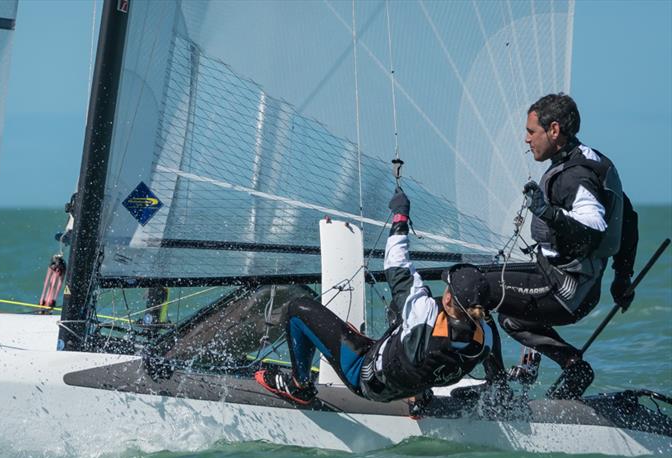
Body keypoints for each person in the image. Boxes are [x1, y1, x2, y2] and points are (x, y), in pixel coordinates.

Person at [254, 187, 508, 406]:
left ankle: (299, 386)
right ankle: (419, 396)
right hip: (409, 380)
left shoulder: (422, 312)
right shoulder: (483, 339)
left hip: (366, 379)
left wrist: (400, 217)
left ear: (450, 300)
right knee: (405, 314)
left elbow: (396, 264)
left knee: (298, 310)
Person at [487, 93, 638, 399]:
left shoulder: (575, 176)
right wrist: (622, 279)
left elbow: (593, 230)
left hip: (565, 290)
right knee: (511, 318)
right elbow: (629, 220)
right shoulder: (593, 161)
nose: (526, 139)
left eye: (531, 131)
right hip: (578, 287)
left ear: (553, 130)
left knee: (469, 287)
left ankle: (497, 395)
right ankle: (573, 365)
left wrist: (547, 213)